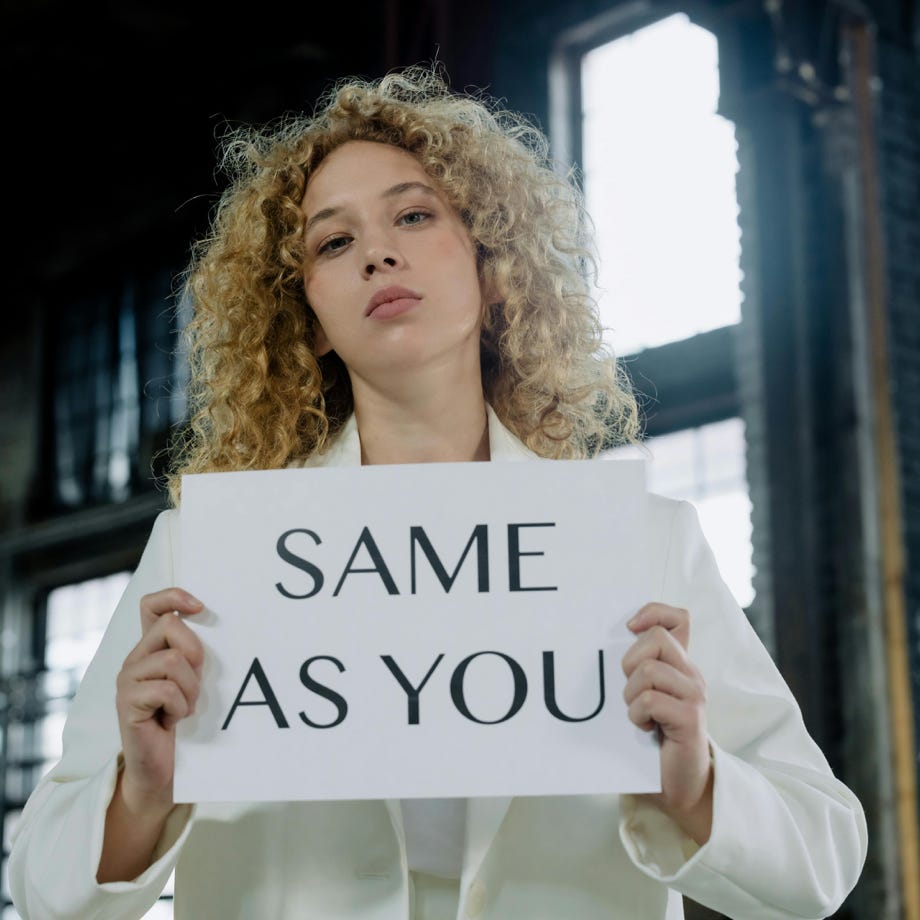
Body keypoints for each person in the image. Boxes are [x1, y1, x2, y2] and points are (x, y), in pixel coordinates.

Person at [9, 64, 867, 920]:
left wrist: (696, 780)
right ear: (306, 317)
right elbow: (43, 890)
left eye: (415, 216)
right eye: (332, 242)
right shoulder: (204, 558)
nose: (379, 251)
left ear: (495, 267)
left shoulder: (641, 543)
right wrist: (143, 790)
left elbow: (820, 863)